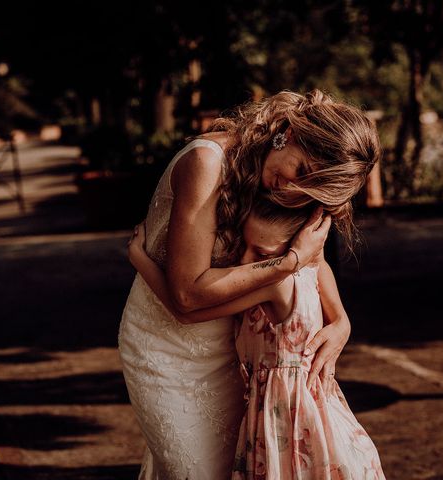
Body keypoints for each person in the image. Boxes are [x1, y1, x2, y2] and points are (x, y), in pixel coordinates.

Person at [118, 89, 381, 479]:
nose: (291, 191)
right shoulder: (207, 164)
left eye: (308, 190)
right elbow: (187, 296)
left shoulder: (285, 183)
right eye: (302, 172)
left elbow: (313, 255)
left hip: (232, 346)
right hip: (165, 344)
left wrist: (340, 320)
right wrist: (285, 264)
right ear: (291, 132)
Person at [129, 196, 388, 479]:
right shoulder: (311, 270)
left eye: (262, 255)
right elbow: (319, 263)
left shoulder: (275, 284)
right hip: (316, 411)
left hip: (290, 419)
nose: (246, 261)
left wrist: (140, 259)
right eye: (245, 246)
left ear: (294, 249)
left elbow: (187, 311)